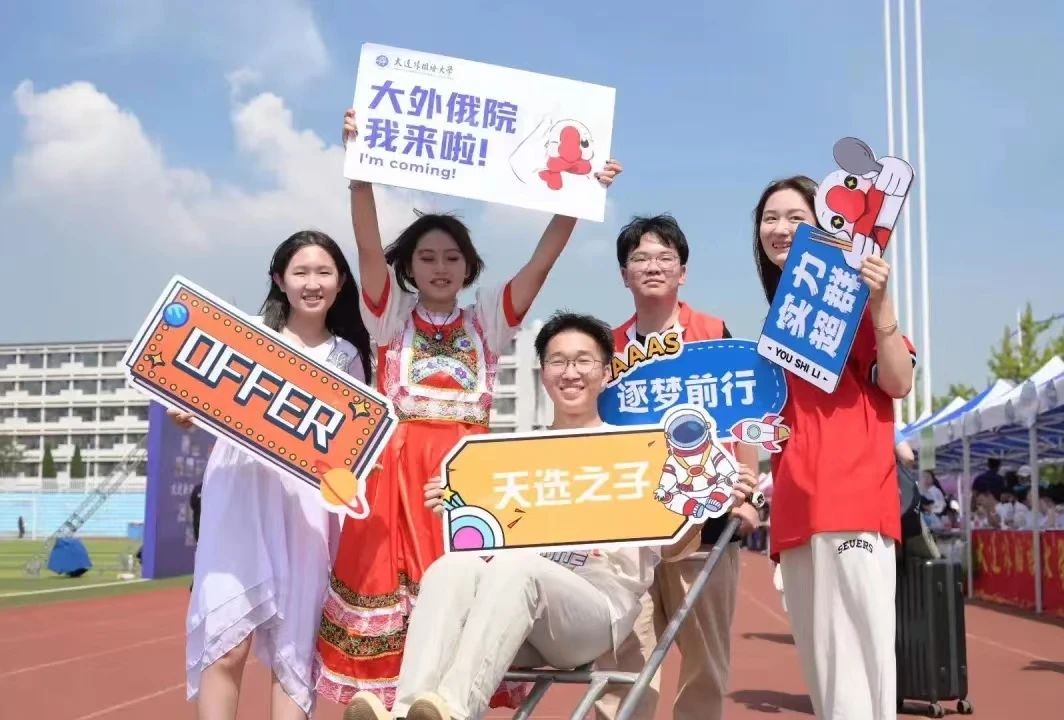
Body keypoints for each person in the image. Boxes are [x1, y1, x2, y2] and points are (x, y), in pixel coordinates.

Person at [314, 109, 622, 710]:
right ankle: (398, 708)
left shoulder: (488, 321)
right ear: (409, 267)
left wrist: (578, 198)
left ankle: (447, 708)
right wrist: (359, 173)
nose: (439, 268)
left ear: (469, 266)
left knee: (467, 605)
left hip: (467, 483)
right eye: (427, 257)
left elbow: (541, 263)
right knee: (399, 613)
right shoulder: (389, 317)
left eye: (452, 257)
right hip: (396, 480)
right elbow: (367, 245)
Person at [342, 311, 759, 720]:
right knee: (451, 567)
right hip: (518, 615)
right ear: (543, 374)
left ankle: (453, 713)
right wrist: (453, 508)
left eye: (583, 361)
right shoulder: (512, 456)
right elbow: (483, 541)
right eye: (558, 361)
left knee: (519, 569)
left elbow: (671, 549)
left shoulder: (641, 451)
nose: (570, 372)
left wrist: (700, 506)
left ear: (606, 373)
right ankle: (406, 710)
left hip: (593, 615)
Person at [176, 230, 373, 720]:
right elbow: (199, 392)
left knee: (294, 654)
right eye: (300, 272)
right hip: (239, 491)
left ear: (341, 282)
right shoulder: (245, 337)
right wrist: (187, 409)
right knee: (227, 644)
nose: (312, 283)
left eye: (324, 272)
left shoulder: (348, 356)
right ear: (279, 280)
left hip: (307, 508)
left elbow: (354, 444)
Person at [753, 176, 916, 720]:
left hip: (852, 503)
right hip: (796, 511)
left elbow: (899, 381)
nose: (780, 228)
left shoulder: (853, 300)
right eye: (770, 218)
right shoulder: (779, 322)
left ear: (824, 226)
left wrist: (881, 302)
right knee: (825, 673)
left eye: (795, 218)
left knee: (861, 671)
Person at [592, 214, 761, 720]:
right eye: (640, 258)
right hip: (629, 527)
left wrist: (749, 497)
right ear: (623, 274)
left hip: (705, 522)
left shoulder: (713, 333)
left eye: (665, 257)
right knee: (624, 657)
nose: (653, 266)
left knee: (705, 662)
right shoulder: (606, 347)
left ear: (682, 272)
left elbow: (746, 415)